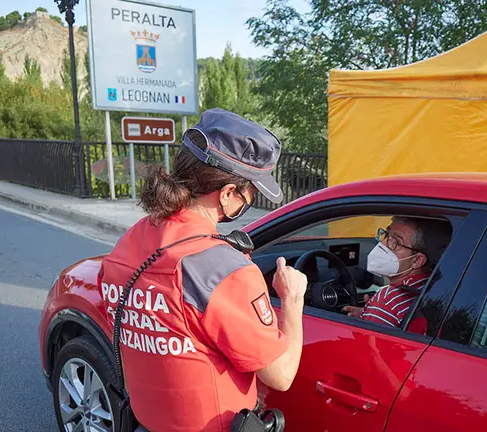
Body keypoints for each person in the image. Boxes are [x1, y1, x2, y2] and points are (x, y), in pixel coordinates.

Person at [99, 108, 308, 432]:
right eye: (249, 194)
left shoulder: (133, 238)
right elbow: (281, 375)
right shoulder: (225, 271)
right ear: (227, 194)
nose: (247, 203)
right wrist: (293, 299)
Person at [342, 216, 451, 329]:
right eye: (386, 234)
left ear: (417, 260)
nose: (383, 243)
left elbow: (365, 344)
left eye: (396, 242)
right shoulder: (437, 285)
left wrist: (379, 309)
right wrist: (372, 313)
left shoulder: (388, 299)